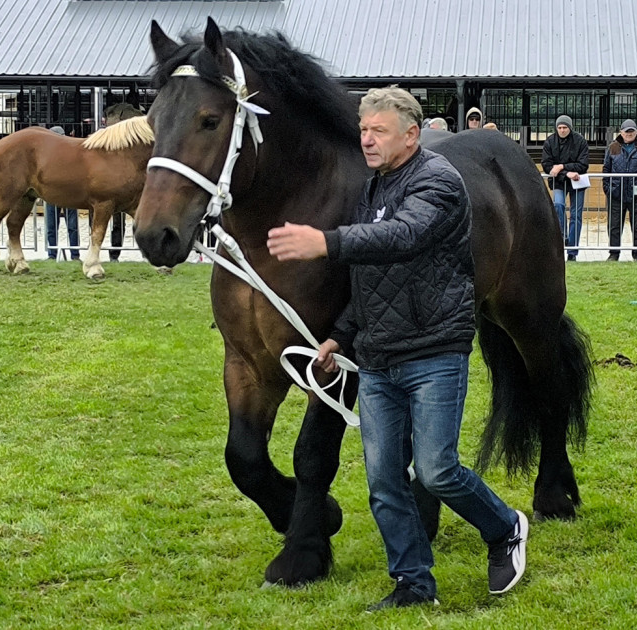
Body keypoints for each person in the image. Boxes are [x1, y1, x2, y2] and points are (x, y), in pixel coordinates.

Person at [264, 86, 528, 610]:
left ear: (411, 134)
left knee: (436, 470)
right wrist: (341, 333)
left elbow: (405, 237)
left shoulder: (438, 182)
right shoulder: (371, 190)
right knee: (385, 482)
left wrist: (326, 242)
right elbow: (371, 278)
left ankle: (505, 528)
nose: (366, 139)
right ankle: (413, 583)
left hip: (434, 352)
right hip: (379, 356)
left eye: (377, 130)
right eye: (363, 130)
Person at [603, 119, 637, 261]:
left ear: (636, 132)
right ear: (621, 132)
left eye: (632, 131)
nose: (629, 134)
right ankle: (614, 253)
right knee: (614, 225)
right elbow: (606, 169)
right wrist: (608, 189)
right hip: (616, 193)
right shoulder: (613, 147)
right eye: (626, 131)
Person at [541, 114, 590, 261]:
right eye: (560, 128)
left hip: (577, 183)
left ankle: (572, 251)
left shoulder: (580, 141)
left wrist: (562, 167)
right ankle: (563, 238)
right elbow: (547, 166)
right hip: (559, 182)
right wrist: (567, 173)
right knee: (558, 205)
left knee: (576, 215)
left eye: (565, 127)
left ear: (570, 127)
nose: (562, 130)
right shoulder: (550, 142)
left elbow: (583, 164)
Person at [42, 126, 81, 261]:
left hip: (67, 193)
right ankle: (53, 254)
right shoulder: (47, 155)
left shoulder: (70, 154)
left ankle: (74, 254)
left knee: (71, 226)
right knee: (53, 226)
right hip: (55, 193)